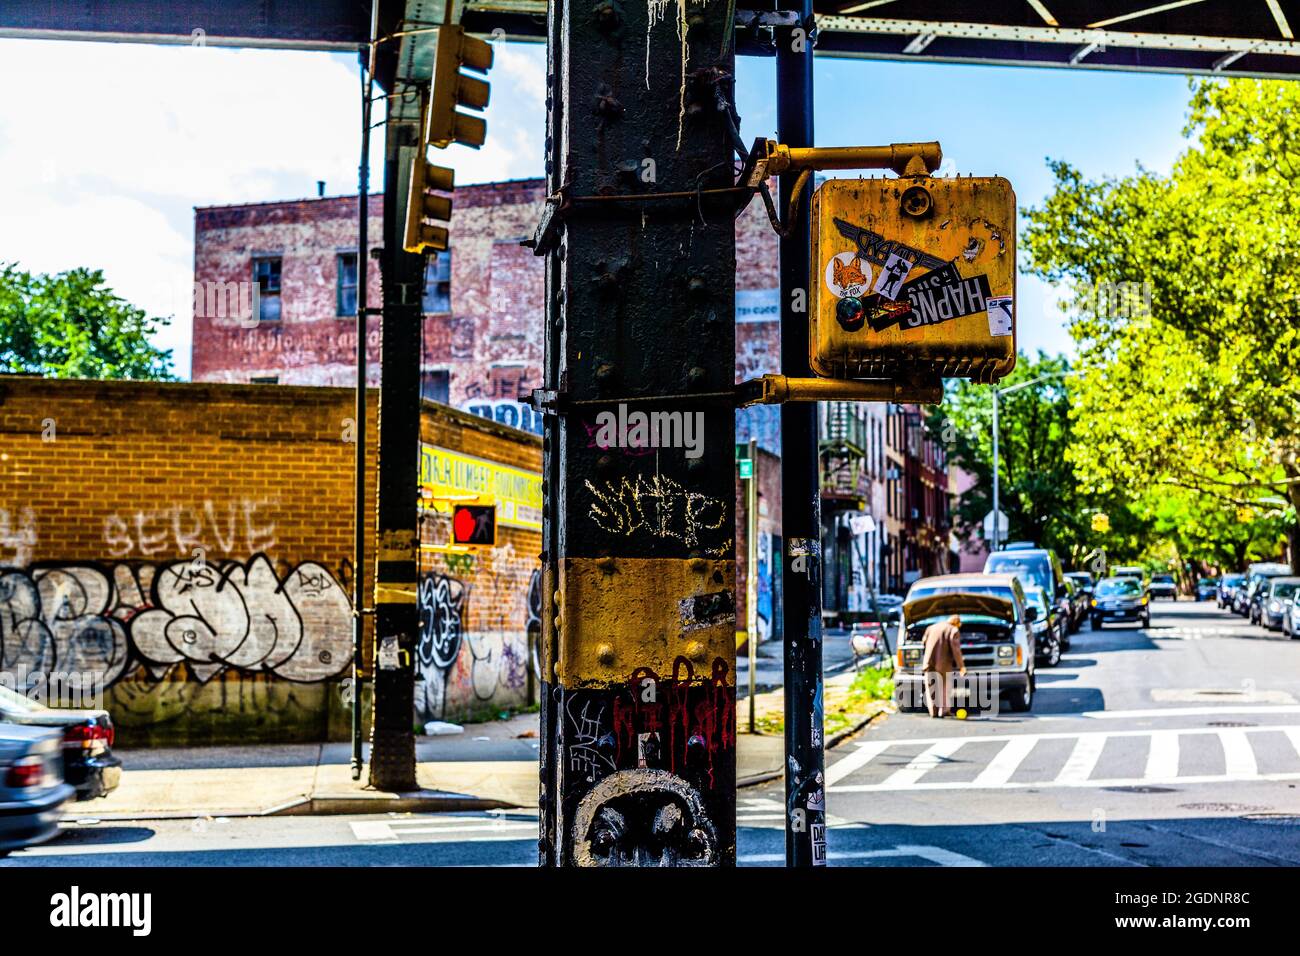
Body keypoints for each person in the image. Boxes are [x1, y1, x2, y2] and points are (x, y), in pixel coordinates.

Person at [921, 614, 966, 718]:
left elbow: (924, 643)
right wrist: (961, 666)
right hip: (943, 664)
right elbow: (956, 650)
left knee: (931, 687)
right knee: (945, 687)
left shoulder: (931, 628)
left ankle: (933, 712)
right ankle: (944, 710)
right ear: (957, 623)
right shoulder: (953, 630)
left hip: (928, 662)